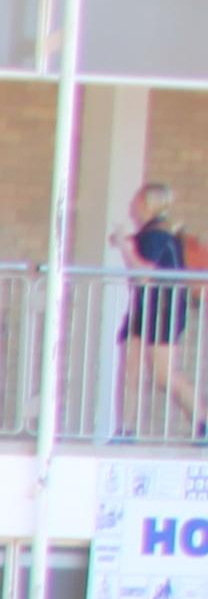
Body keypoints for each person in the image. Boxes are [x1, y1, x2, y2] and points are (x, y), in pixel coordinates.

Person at [118, 182, 195, 443]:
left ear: (146, 204)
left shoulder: (157, 235)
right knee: (130, 369)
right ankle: (126, 430)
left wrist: (124, 245)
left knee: (164, 375)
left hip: (163, 309)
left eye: (136, 202)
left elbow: (143, 274)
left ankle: (202, 420)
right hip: (144, 307)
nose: (132, 207)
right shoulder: (151, 234)